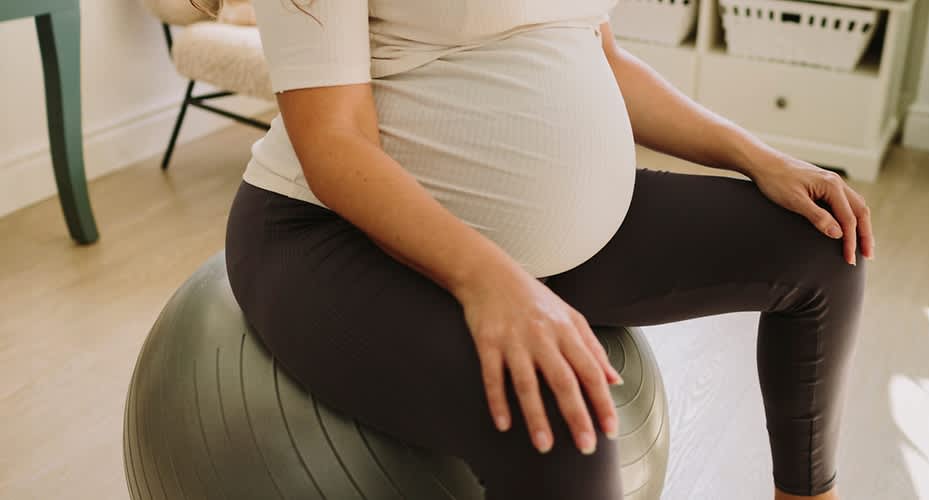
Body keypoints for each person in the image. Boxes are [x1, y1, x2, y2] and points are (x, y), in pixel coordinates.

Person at [222, 1, 875, 498]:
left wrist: (757, 156)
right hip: (332, 235)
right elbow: (334, 142)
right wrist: (491, 281)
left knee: (822, 243)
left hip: (546, 242)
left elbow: (601, 54)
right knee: (563, 425)